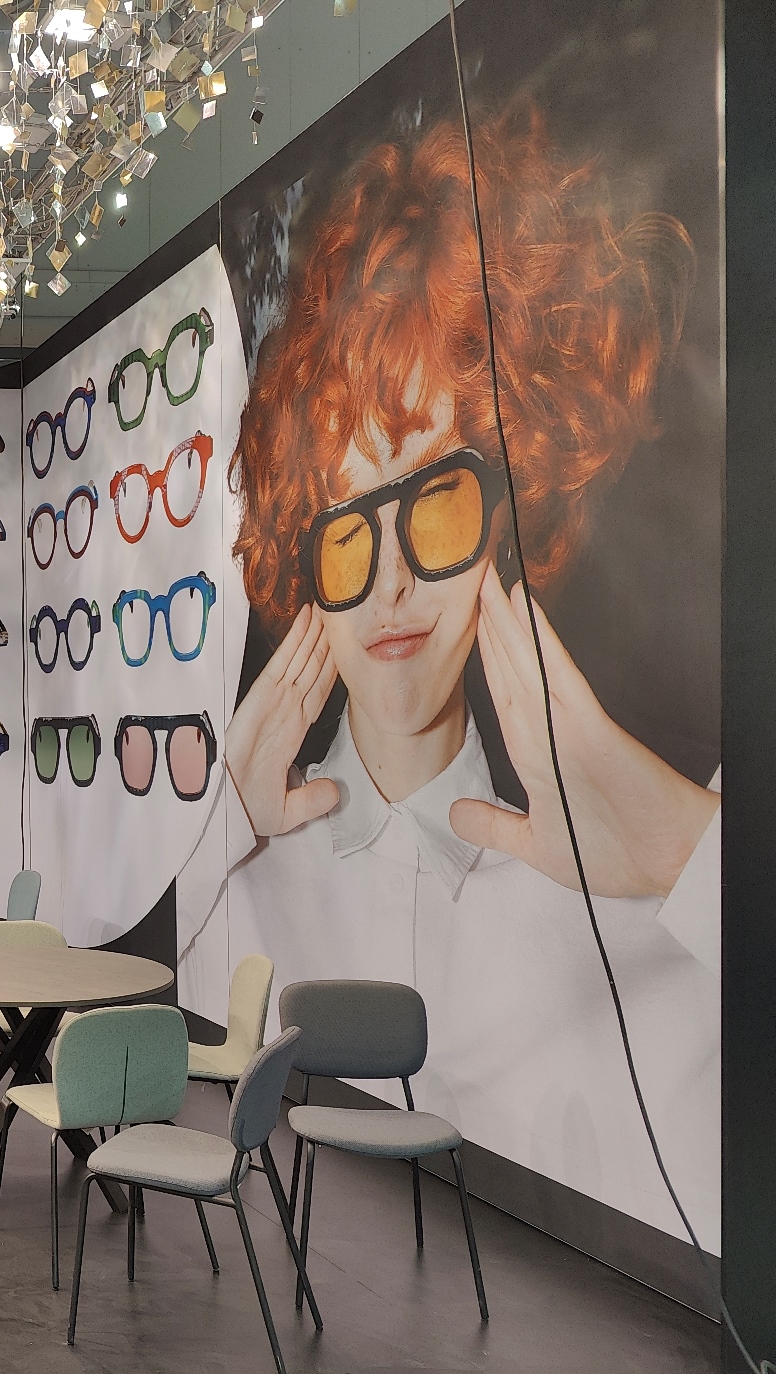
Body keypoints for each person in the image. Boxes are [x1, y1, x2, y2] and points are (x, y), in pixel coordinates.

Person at [177, 100, 721, 1247]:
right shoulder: (228, 881)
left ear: (503, 518)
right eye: (342, 525)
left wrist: (686, 850)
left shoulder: (664, 895)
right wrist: (217, 827)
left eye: (432, 501)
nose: (385, 584)